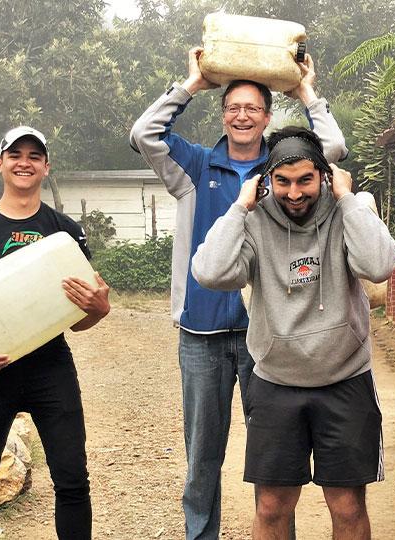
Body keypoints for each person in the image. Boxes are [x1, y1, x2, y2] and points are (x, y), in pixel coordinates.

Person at [128, 47, 347, 539]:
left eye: (253, 108)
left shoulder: (285, 173)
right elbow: (144, 135)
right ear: (223, 115)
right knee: (203, 455)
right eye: (233, 107)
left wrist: (307, 92)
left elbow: (333, 150)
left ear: (268, 116)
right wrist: (192, 84)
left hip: (268, 338)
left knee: (271, 462)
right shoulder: (194, 169)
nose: (242, 115)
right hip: (201, 332)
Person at [189, 126, 395, 540]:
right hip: (276, 383)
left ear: (324, 175)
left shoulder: (347, 211)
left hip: (345, 380)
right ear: (266, 180)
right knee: (271, 506)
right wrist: (239, 207)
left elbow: (379, 266)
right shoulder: (254, 220)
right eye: (282, 181)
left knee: (347, 505)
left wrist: (347, 199)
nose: (294, 192)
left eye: (305, 179)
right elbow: (209, 272)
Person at [0, 126, 111, 540]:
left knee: (71, 480)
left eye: (34, 155)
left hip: (51, 368)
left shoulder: (66, 232)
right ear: (0, 163)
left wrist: (98, 312)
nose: (24, 162)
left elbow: (77, 317)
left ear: (46, 167)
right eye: (15, 154)